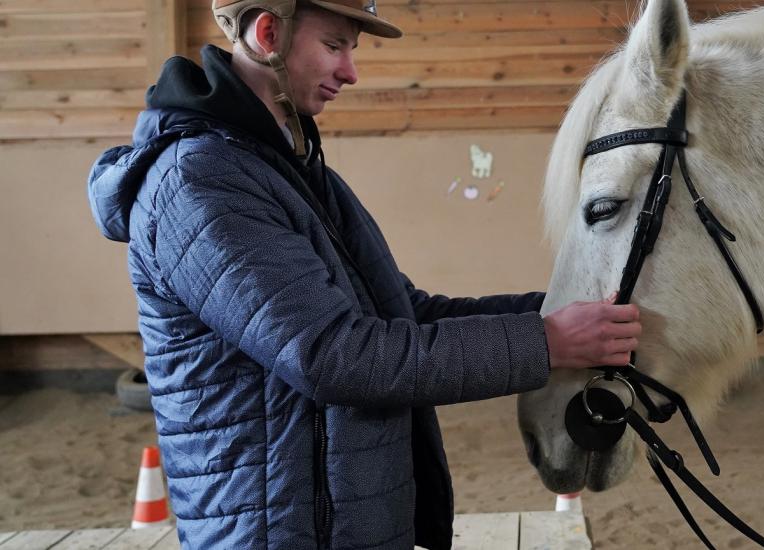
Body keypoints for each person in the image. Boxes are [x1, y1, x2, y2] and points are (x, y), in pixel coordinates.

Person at [86, 1, 641, 549]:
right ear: (268, 33)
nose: (350, 72)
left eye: (351, 50)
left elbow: (406, 312)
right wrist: (547, 342)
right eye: (334, 46)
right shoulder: (201, 183)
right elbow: (334, 356)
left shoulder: (291, 170)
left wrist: (564, 312)